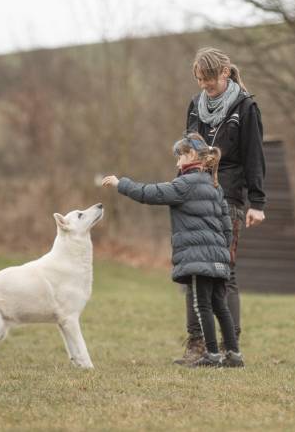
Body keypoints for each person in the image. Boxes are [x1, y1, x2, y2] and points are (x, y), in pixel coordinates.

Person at [102, 133, 244, 367]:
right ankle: (234, 355)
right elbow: (227, 225)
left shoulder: (184, 185)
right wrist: (223, 251)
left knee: (202, 305)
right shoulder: (214, 185)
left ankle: (212, 355)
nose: (177, 163)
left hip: (198, 258)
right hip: (219, 257)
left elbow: (150, 193)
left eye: (179, 157)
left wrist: (121, 184)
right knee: (220, 305)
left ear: (190, 156)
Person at [175, 47, 266, 366]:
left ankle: (231, 347)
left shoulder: (245, 107)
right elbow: (187, 148)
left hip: (227, 198)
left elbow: (255, 155)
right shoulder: (195, 106)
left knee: (223, 273)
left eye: (209, 79)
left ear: (225, 73)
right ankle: (197, 345)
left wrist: (257, 201)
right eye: (199, 80)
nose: (204, 86)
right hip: (193, 196)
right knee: (191, 269)